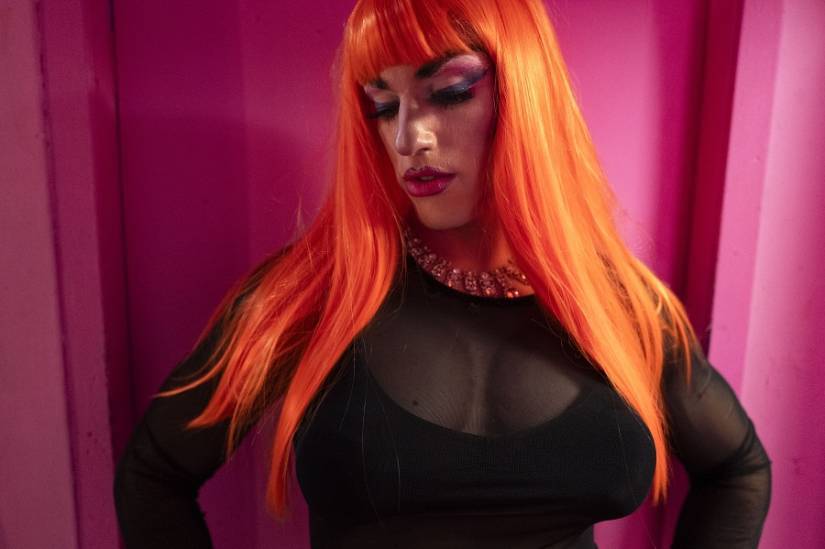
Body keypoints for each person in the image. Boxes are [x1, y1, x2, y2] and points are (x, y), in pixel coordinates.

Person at [113, 0, 772, 547]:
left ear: (524, 97)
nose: (408, 139)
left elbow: (738, 469)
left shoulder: (621, 307)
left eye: (449, 93)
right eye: (382, 106)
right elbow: (153, 474)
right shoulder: (313, 295)